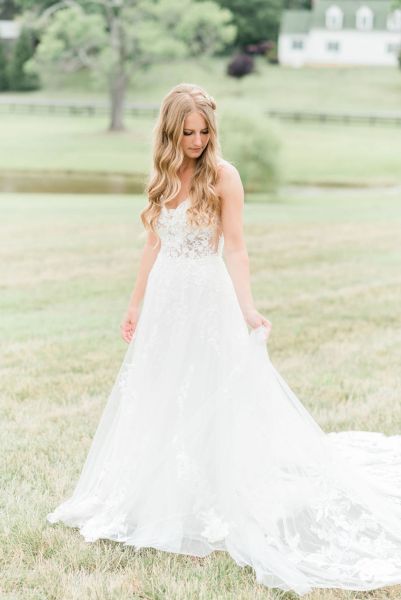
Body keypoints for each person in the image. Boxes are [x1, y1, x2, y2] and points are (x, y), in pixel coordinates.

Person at [47, 83, 401, 597]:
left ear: (213, 129)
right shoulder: (164, 174)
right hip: (167, 298)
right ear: (170, 132)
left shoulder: (224, 176)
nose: (196, 140)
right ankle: (155, 495)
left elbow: (236, 249)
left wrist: (248, 308)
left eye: (204, 130)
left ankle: (206, 503)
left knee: (210, 396)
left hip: (207, 299)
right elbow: (152, 243)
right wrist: (134, 303)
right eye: (186, 132)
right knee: (162, 393)